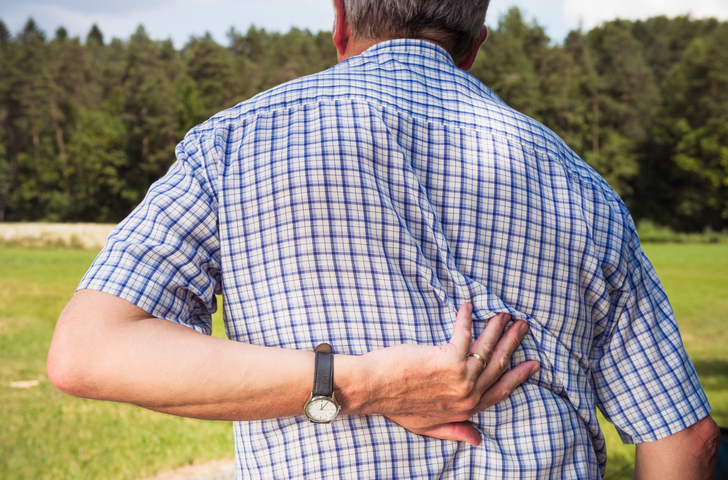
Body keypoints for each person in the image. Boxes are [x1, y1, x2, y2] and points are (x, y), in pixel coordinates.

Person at [48, 0, 720, 478]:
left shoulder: (235, 143)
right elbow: (686, 442)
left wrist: (356, 382)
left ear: (340, 20)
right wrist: (378, 383)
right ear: (475, 42)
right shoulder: (587, 190)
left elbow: (87, 351)